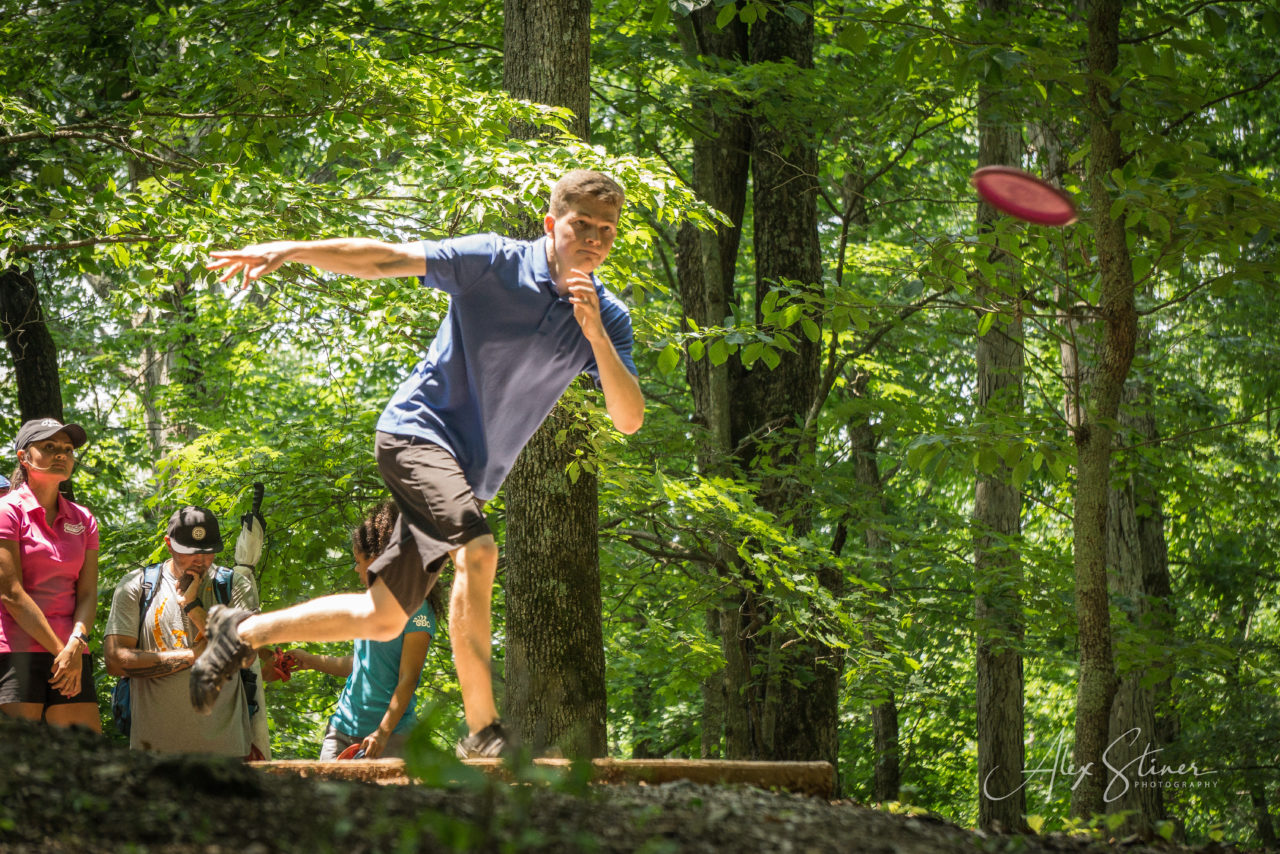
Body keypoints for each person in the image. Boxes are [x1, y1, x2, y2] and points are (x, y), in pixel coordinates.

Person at [196, 170, 644, 757]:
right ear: (550, 223)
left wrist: (596, 337)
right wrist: (293, 251)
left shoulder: (607, 317)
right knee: (479, 553)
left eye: (604, 231)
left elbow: (629, 415)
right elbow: (385, 258)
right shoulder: (493, 262)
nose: (591, 238)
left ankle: (241, 629)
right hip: (416, 434)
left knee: (383, 618)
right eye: (579, 224)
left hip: (468, 478)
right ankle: (484, 731)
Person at [287, 502, 443, 760]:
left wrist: (383, 732)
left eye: (359, 561)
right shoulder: (369, 603)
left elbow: (408, 677)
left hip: (391, 737)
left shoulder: (418, 609)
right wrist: (310, 661)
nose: (357, 569)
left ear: (379, 560)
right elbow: (363, 666)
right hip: (342, 728)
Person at [104, 506, 255, 755]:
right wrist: (193, 656)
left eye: (208, 553)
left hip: (225, 751)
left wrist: (192, 606)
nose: (201, 560)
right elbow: (115, 661)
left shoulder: (233, 585)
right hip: (154, 750)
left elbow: (247, 655)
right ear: (169, 544)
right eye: (190, 552)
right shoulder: (137, 585)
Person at [0, 418, 101, 730]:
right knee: (19, 766)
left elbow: (86, 594)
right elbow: (11, 594)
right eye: (49, 447)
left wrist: (75, 644)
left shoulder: (83, 519)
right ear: (24, 457)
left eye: (68, 450)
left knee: (85, 762)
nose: (62, 454)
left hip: (71, 652)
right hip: (18, 651)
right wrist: (62, 653)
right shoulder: (7, 511)